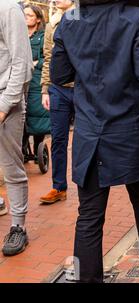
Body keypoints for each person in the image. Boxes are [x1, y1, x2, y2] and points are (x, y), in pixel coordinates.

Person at [50, 0, 139, 282]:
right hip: (131, 127)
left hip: (91, 129)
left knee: (89, 215)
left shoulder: (70, 19)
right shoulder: (135, 16)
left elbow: (59, 74)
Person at [0, 0, 34, 256]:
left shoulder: (9, 8)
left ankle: (18, 227)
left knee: (12, 167)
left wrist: (4, 106)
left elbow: (21, 63)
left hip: (5, 100)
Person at [39, 0, 75, 204]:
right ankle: (58, 187)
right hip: (58, 90)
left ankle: (92, 185)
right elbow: (47, 57)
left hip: (82, 88)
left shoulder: (83, 17)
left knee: (86, 139)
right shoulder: (52, 24)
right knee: (58, 139)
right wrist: (46, 89)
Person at [22, 5, 50, 164]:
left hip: (37, 80)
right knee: (22, 115)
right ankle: (24, 148)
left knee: (36, 114)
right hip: (21, 79)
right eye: (24, 14)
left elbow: (46, 58)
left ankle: (39, 147)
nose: (26, 17)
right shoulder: (19, 35)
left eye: (30, 15)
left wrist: (33, 63)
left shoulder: (42, 35)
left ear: (38, 18)